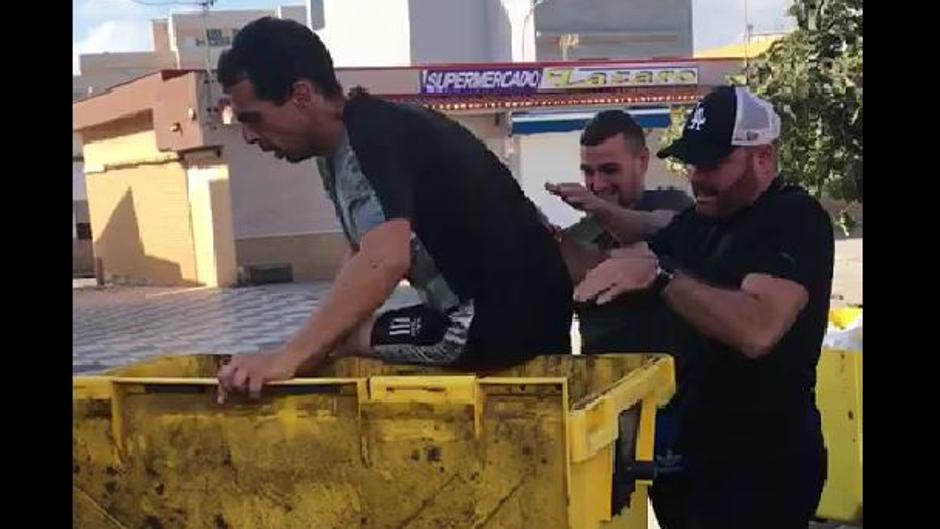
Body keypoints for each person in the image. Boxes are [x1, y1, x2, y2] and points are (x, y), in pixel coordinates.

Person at [215, 17, 573, 402]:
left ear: (302, 95)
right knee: (332, 336)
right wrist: (309, 343)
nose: (250, 136)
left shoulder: (367, 140)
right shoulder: (363, 133)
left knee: (340, 340)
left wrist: (289, 357)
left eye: (254, 118)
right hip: (526, 313)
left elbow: (384, 259)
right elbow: (362, 256)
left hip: (494, 324)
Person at [575, 86, 833, 529]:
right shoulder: (702, 222)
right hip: (692, 467)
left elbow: (758, 329)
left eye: (713, 163)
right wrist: (546, 239)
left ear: (763, 159)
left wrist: (661, 277)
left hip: (762, 473)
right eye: (692, 162)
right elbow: (640, 242)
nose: (696, 177)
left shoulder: (794, 219)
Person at [544, 109, 693, 353]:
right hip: (607, 383)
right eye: (589, 172)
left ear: (642, 161)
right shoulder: (580, 234)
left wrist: (603, 210)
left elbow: (664, 225)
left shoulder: (671, 203)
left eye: (610, 170)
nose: (598, 184)